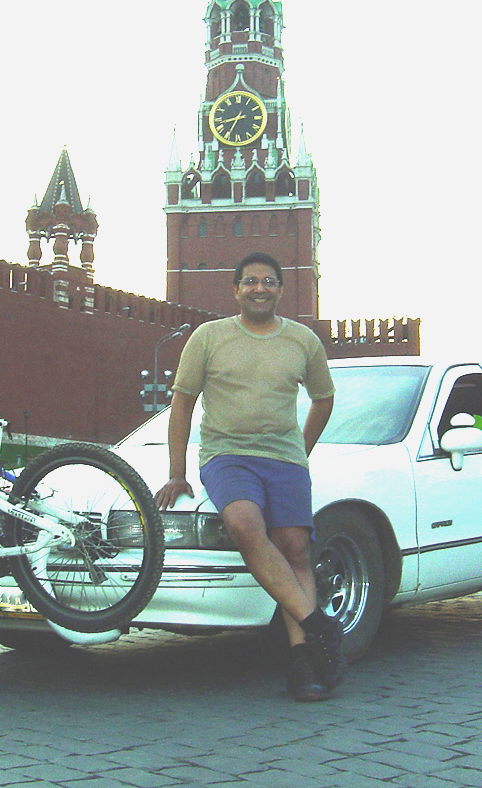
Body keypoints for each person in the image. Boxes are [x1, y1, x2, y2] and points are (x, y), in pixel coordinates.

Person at [154, 252, 343, 702]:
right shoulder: (208, 337)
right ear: (235, 290)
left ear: (281, 289)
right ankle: (319, 626)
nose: (260, 288)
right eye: (251, 281)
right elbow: (181, 404)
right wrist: (177, 473)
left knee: (295, 547)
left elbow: (324, 398)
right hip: (227, 456)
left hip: (284, 459)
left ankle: (303, 662)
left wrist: (300, 450)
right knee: (243, 523)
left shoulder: (303, 340)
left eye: (269, 281)